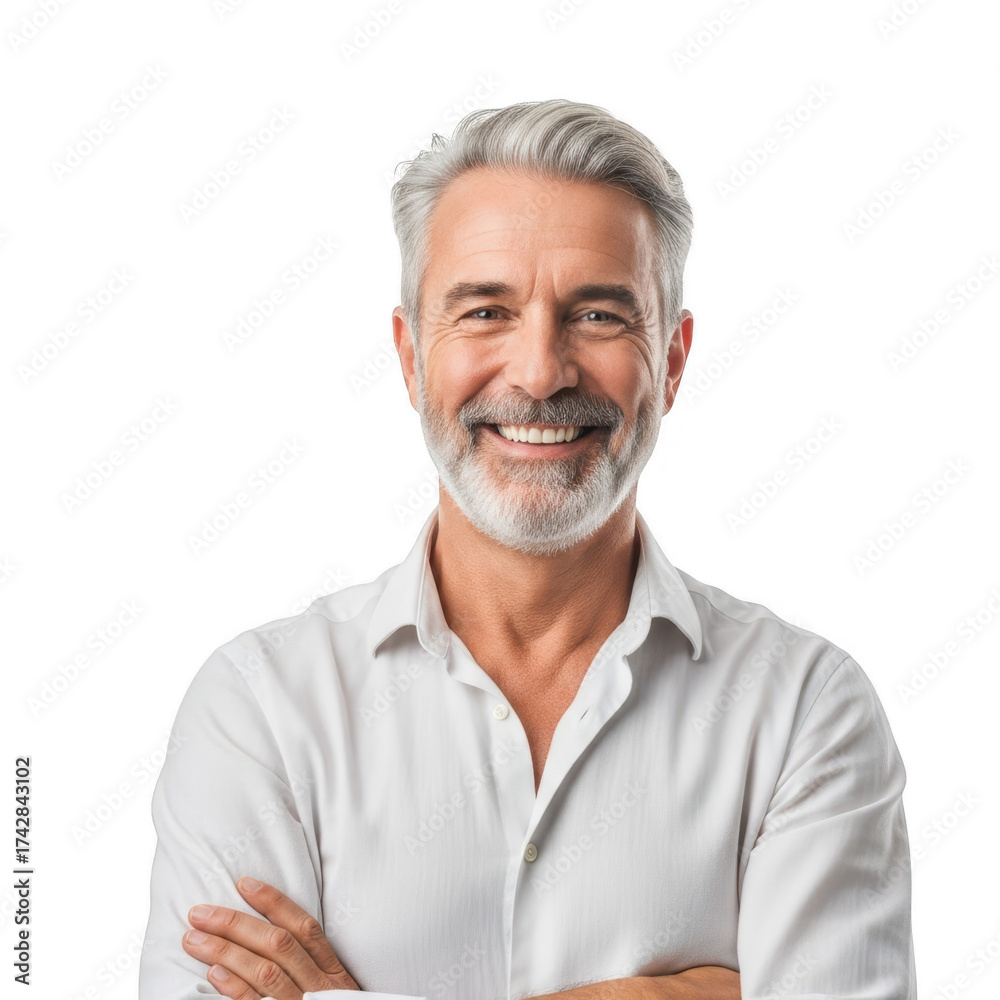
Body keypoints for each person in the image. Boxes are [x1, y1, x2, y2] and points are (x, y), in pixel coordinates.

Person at [138, 99, 916, 1000]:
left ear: (671, 358)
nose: (540, 372)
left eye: (597, 316)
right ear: (410, 358)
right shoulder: (261, 710)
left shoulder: (806, 715)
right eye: (484, 311)